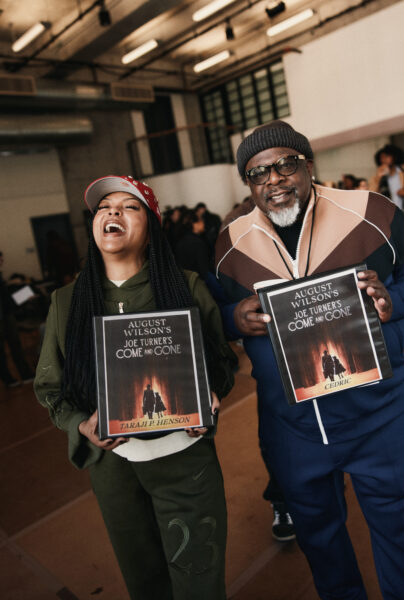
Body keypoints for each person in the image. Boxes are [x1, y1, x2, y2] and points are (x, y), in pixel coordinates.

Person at [215, 120, 404, 599]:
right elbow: (210, 317)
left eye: (285, 164)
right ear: (248, 183)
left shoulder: (372, 212)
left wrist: (393, 301)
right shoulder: (230, 244)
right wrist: (233, 317)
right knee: (321, 544)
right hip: (294, 428)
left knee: (398, 531)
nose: (274, 179)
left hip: (379, 416)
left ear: (308, 164)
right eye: (258, 172)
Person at [34, 175, 236, 600]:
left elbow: (222, 364)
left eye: (130, 206)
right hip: (114, 470)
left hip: (186, 461)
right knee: (144, 583)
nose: (113, 211)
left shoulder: (185, 286)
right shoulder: (66, 302)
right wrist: (80, 425)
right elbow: (51, 387)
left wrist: (209, 396)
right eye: (104, 206)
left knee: (198, 580)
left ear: (152, 227)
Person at [0, 251, 35, 387]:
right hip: (4, 315)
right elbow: (6, 299)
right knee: (6, 349)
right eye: (1, 259)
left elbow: (6, 299)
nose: (2, 261)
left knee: (15, 345)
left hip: (7, 314)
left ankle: (23, 375)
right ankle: (10, 378)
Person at [369, 144, 404, 209]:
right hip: (389, 212)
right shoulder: (378, 176)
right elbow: (371, 196)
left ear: (394, 157)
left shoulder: (402, 170)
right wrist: (378, 177)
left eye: (386, 156)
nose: (384, 160)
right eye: (381, 158)